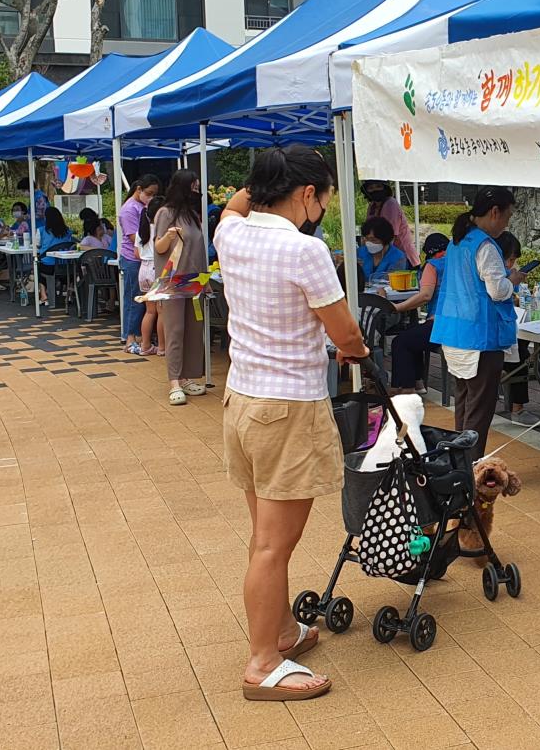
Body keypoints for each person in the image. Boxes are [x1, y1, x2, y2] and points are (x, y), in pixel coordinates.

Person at [214, 146, 368, 703]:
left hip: (242, 402)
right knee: (273, 547)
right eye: (323, 197)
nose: (323, 208)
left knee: (264, 537)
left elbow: (233, 207)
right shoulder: (305, 249)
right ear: (308, 194)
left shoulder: (230, 234)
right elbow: (345, 335)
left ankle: (280, 632)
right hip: (288, 409)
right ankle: (261, 662)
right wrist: (354, 349)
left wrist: (259, 180)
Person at [432, 186, 524, 456]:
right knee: (479, 411)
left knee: (464, 404)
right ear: (495, 212)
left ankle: (457, 462)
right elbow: (497, 291)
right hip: (481, 339)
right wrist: (513, 280)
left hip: (454, 334)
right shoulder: (485, 246)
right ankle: (470, 467)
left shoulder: (458, 241)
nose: (507, 223)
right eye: (507, 216)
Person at [153, 170, 208, 404]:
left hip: (195, 281)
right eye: (194, 186)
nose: (197, 190)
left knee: (194, 330)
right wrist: (168, 236)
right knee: (175, 330)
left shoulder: (193, 216)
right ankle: (174, 380)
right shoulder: (165, 213)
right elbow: (159, 247)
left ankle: (187, 377)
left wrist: (205, 281)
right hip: (174, 282)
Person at [389, 232, 449, 393]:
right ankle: (418, 383)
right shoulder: (459, 263)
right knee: (413, 335)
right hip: (461, 324)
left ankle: (405, 390)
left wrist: (396, 308)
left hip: (441, 324)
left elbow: (425, 296)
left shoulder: (433, 265)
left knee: (401, 342)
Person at [494, 232, 536, 425]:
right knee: (521, 353)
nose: (511, 265)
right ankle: (517, 409)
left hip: (502, 327)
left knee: (521, 348)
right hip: (493, 335)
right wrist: (511, 281)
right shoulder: (495, 273)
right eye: (509, 260)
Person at [118, 175, 161, 354]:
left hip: (143, 260)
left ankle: (141, 338)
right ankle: (129, 338)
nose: (151, 197)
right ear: (139, 190)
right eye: (149, 193)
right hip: (133, 260)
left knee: (145, 304)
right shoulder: (129, 210)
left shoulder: (142, 206)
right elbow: (135, 239)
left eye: (154, 194)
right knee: (134, 300)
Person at [362, 180, 419, 267]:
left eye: (378, 186)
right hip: (385, 255)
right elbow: (368, 230)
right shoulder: (372, 206)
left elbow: (390, 235)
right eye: (371, 188)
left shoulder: (390, 204)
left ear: (385, 187)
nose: (375, 190)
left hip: (402, 257)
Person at [135, 196, 166, 357]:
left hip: (143, 269)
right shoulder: (162, 230)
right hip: (156, 269)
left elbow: (136, 253)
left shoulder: (141, 230)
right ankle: (162, 347)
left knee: (149, 311)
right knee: (161, 311)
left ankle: (145, 345)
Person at [357, 217, 409, 285]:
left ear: (385, 239)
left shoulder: (398, 257)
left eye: (373, 240)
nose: (368, 243)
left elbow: (391, 283)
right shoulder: (359, 253)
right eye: (366, 239)